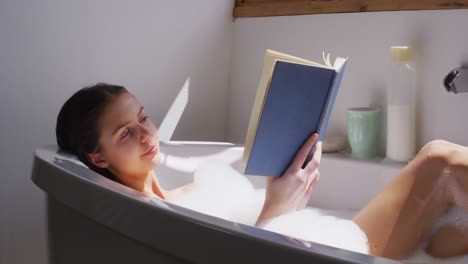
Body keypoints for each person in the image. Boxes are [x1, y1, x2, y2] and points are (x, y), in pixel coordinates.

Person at [56, 83, 468, 260]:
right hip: (320, 253)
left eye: (144, 118)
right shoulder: (141, 220)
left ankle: (440, 242)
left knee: (446, 221)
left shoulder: (193, 194)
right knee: (439, 160)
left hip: (325, 245)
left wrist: (279, 209)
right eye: (127, 133)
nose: (148, 133)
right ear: (98, 159)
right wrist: (273, 216)